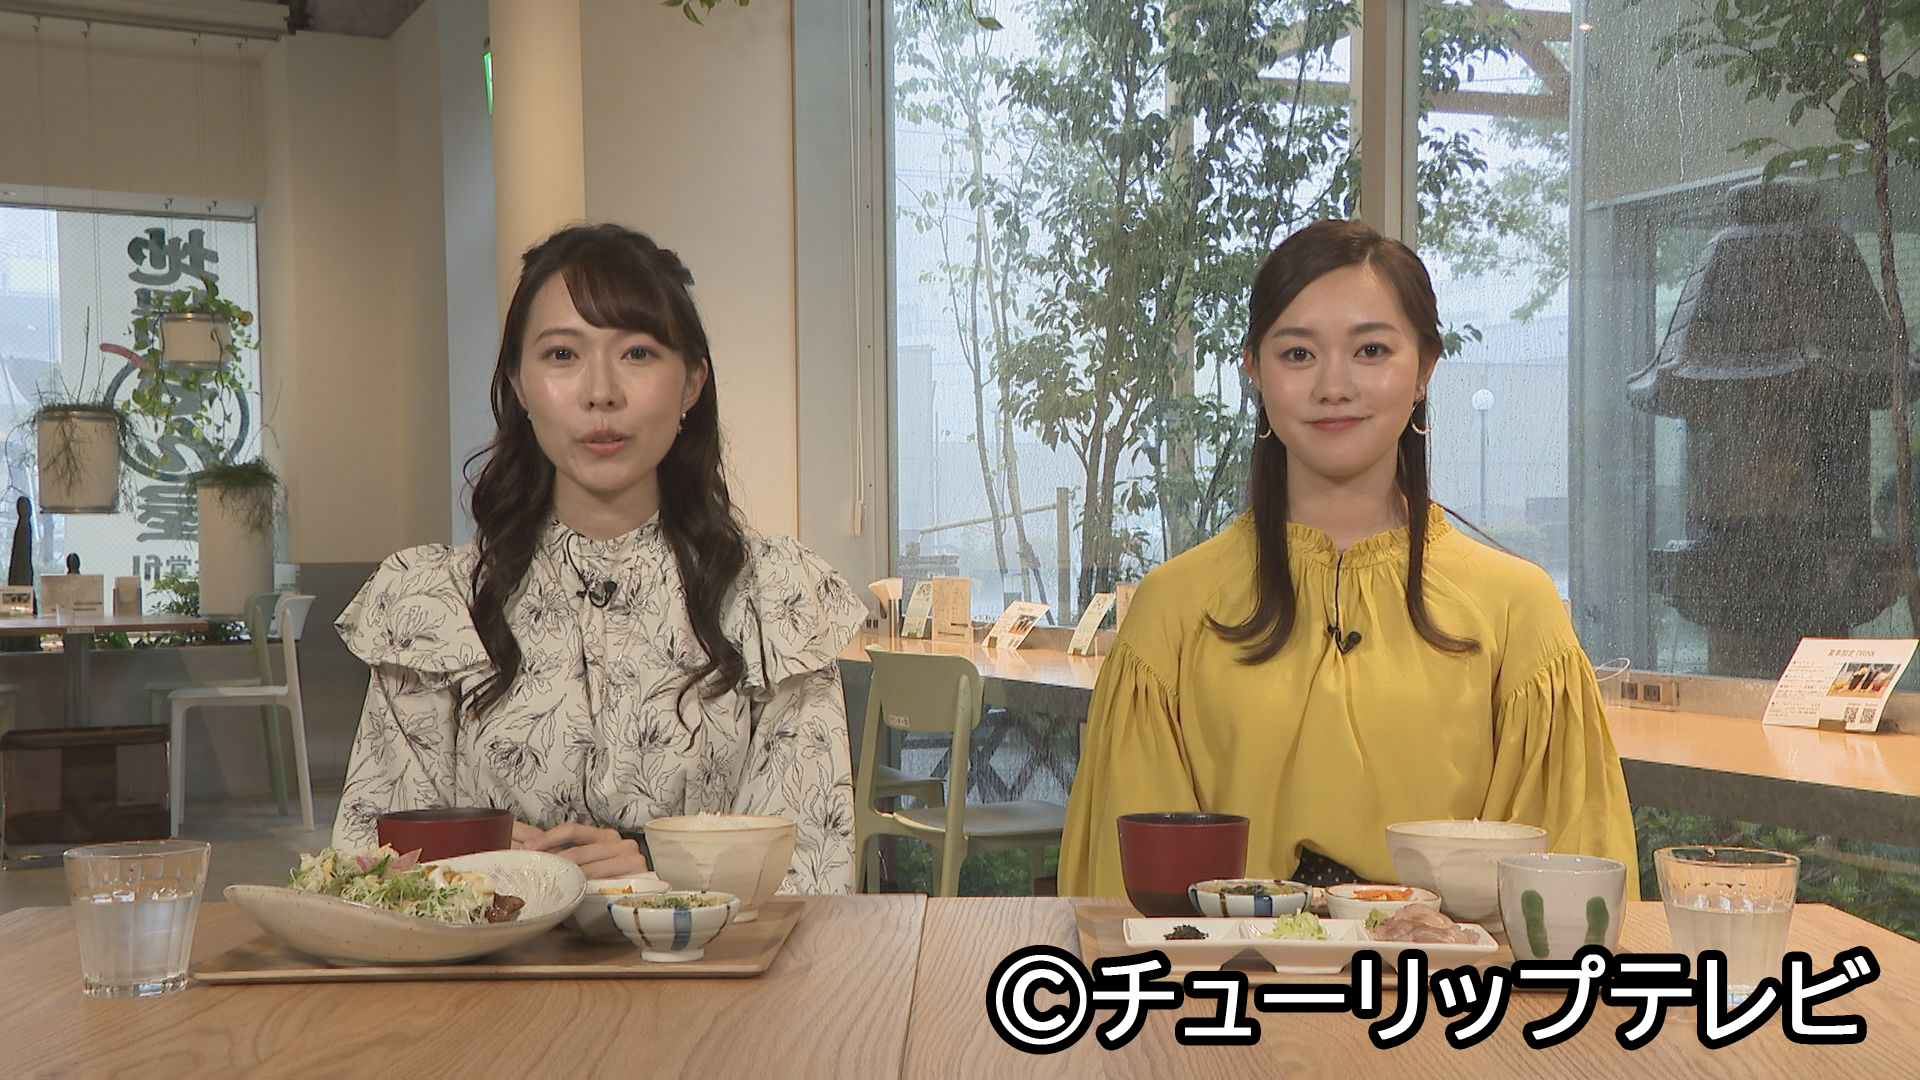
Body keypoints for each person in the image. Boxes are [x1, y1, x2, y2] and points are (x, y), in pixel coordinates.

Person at [1060, 220, 1637, 896]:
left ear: (1424, 369)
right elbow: (1133, 902)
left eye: (1371, 350)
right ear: (1255, 372)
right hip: (1233, 966)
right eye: (1298, 354)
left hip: (1447, 969)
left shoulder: (1518, 609)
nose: (1334, 385)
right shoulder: (1174, 608)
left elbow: (1564, 896)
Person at [330, 224, 866, 892]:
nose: (601, 392)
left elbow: (811, 877)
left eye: (638, 353)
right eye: (562, 354)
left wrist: (658, 869)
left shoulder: (776, 599)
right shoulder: (432, 604)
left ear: (691, 383)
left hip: (706, 960)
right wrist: (479, 859)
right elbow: (366, 869)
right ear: (519, 384)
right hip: (494, 959)